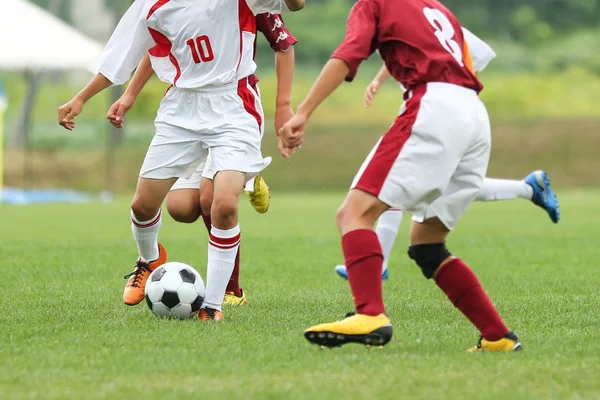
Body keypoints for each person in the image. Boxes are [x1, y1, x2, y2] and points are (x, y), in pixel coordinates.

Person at [279, 0, 520, 352]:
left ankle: (370, 314)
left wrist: (302, 112)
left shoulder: (373, 2)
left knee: (354, 213)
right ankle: (498, 336)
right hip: (474, 114)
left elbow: (348, 56)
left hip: (433, 106)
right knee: (428, 242)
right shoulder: (434, 7)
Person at [57, 0, 304, 321]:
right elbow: (125, 54)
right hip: (182, 109)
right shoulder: (152, 5)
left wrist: (283, 105)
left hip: (233, 102)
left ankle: (214, 304)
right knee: (153, 207)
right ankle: (149, 259)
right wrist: (82, 97)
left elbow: (294, 6)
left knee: (221, 204)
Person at [334, 27, 560, 281]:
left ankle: (380, 265)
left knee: (395, 180)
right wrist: (379, 79)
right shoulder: (412, 20)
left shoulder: (432, 21)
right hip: (444, 112)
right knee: (451, 185)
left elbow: (457, 56)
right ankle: (529, 189)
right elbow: (403, 47)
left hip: (441, 114)